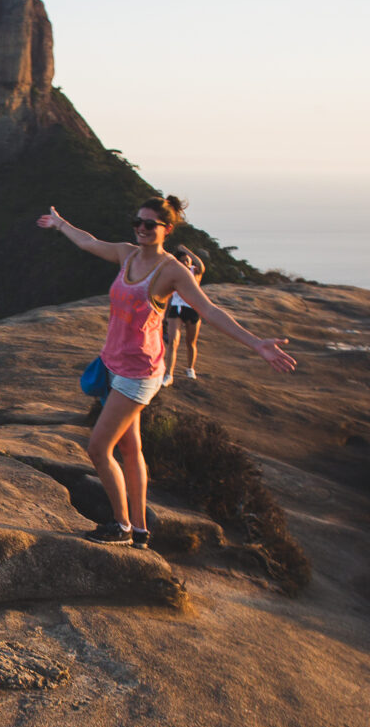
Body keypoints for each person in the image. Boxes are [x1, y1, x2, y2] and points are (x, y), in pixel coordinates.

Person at [36, 196, 295, 549]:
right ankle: (140, 530)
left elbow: (209, 309)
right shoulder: (126, 254)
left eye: (150, 224)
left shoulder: (172, 271)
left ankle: (121, 525)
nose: (141, 229)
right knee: (130, 448)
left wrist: (256, 344)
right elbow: (90, 242)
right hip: (112, 364)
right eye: (137, 222)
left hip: (138, 373)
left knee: (98, 448)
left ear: (166, 229)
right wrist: (61, 224)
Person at [163, 245, 205, 386]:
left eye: (187, 260)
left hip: (192, 309)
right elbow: (168, 295)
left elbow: (200, 264)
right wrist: (164, 314)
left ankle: (190, 368)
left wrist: (187, 251)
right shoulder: (173, 274)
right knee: (173, 342)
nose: (186, 263)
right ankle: (169, 374)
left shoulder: (195, 272)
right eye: (183, 261)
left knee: (190, 342)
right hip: (176, 308)